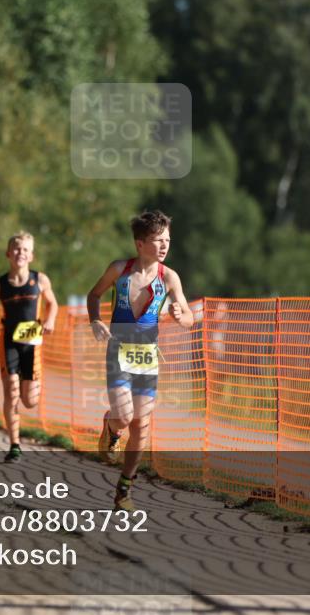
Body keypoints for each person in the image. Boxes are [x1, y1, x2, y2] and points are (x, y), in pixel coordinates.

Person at [87, 210, 194, 511]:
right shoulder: (119, 270)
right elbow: (93, 295)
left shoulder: (169, 277)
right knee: (123, 415)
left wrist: (180, 316)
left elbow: (189, 317)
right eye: (158, 240)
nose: (164, 246)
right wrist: (95, 320)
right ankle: (110, 426)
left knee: (141, 424)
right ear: (139, 244)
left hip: (147, 356)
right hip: (119, 350)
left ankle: (124, 490)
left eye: (168, 240)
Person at [0, 232, 58, 463]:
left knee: (30, 400)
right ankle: (14, 445)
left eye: (25, 249)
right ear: (8, 253)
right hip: (9, 343)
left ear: (31, 255)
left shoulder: (40, 280)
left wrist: (50, 320)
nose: (20, 252)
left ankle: (30, 383)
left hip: (32, 344)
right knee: (11, 392)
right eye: (16, 248)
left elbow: (52, 303)